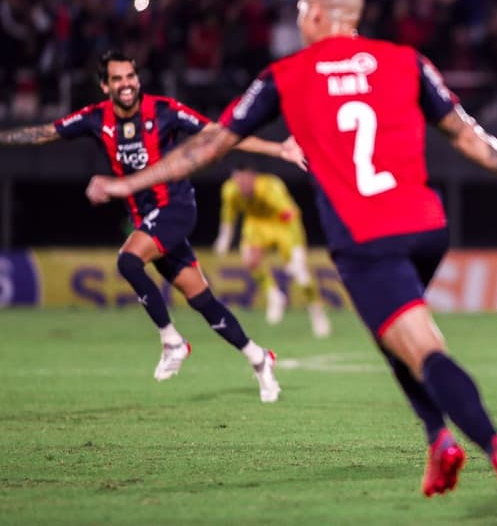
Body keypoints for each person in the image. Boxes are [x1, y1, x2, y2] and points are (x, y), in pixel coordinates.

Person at [86, 0, 497, 526]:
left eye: (301, 10)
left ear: (321, 14)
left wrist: (127, 184)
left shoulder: (288, 74)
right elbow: (468, 134)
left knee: (420, 347)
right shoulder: (405, 59)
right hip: (427, 225)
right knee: (396, 332)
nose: (297, 21)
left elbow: (208, 146)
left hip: (366, 237)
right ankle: (436, 439)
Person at [0, 50, 284, 403]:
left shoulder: (164, 111)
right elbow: (45, 133)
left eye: (130, 76)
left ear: (138, 78)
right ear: (105, 85)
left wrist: (279, 150)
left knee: (128, 261)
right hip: (147, 218)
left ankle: (172, 341)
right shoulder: (94, 118)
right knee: (202, 300)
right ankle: (259, 359)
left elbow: (220, 134)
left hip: (176, 208)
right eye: (117, 79)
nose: (126, 84)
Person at [214, 164, 331, 337]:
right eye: (238, 181)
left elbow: (290, 215)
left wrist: (297, 251)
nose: (242, 185)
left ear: (253, 177)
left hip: (283, 225)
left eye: (245, 180)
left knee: (300, 274)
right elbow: (229, 216)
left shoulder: (270, 187)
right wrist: (224, 239)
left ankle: (316, 311)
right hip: (257, 223)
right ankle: (274, 295)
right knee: (249, 260)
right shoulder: (230, 190)